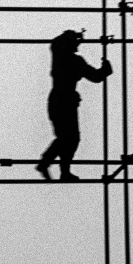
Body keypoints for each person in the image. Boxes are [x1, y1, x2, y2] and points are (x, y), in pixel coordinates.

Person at [36, 29, 113, 182]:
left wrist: (104, 71)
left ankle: (55, 167)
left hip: (59, 100)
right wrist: (106, 69)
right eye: (76, 42)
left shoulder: (60, 57)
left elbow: (96, 76)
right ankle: (52, 166)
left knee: (67, 137)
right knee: (69, 137)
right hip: (64, 101)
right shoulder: (73, 60)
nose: (78, 45)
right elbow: (96, 76)